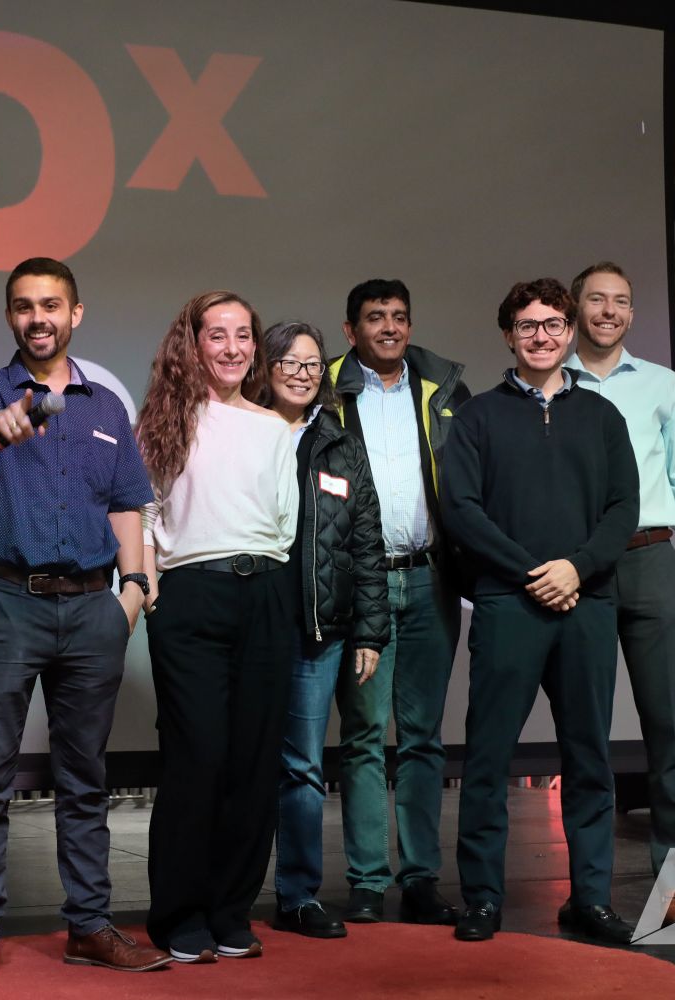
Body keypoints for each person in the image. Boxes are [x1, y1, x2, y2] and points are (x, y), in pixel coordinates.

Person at [0, 257, 170, 987]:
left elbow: (126, 503)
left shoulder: (105, 408)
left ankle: (90, 927)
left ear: (75, 314)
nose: (38, 318)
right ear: (11, 316)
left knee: (84, 778)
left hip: (93, 607)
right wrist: (0, 429)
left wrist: (133, 591)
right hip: (8, 602)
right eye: (24, 306)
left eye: (51, 305)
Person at [440, 278, 639, 945]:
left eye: (554, 324)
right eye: (528, 325)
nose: (542, 335)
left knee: (590, 757)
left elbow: (624, 509)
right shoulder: (477, 418)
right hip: (509, 605)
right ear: (509, 335)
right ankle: (482, 900)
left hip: (587, 604)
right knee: (488, 756)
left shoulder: (603, 417)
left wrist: (576, 568)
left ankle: (591, 900)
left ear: (570, 331)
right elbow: (461, 510)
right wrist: (534, 572)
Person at [135, 291, 298, 963]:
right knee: (197, 758)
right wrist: (149, 589)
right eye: (217, 335)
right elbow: (143, 512)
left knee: (254, 762)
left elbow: (286, 522)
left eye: (243, 335)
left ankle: (232, 911)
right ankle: (179, 915)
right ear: (193, 343)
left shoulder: (275, 427)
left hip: (265, 591)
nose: (232, 347)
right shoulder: (164, 419)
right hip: (190, 595)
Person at [567, 261, 675, 926]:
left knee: (670, 733)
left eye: (621, 301)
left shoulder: (661, 384)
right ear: (575, 308)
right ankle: (589, 893)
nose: (609, 311)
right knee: (586, 735)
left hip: (655, 559)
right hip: (583, 569)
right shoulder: (552, 382)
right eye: (597, 300)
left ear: (631, 313)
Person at [326, 280, 469, 925]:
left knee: (422, 738)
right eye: (375, 317)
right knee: (362, 735)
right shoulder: (326, 392)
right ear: (350, 329)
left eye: (399, 317)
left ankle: (420, 880)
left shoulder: (443, 391)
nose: (389, 327)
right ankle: (366, 880)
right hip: (363, 583)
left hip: (431, 579)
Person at [256, 321, 389, 940]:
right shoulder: (243, 431)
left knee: (304, 767)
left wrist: (370, 632)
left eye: (312, 364)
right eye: (290, 362)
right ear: (266, 367)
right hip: (250, 624)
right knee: (241, 762)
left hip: (319, 633)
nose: (302, 374)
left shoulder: (341, 444)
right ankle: (225, 895)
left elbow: (366, 542)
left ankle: (298, 895)